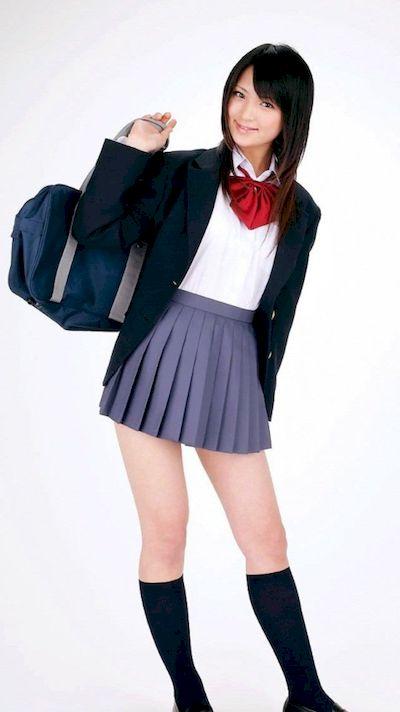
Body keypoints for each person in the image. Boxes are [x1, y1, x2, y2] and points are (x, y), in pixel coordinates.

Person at [72, 44, 348, 712]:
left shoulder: (303, 211)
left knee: (266, 541)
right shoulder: (184, 172)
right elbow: (94, 226)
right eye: (239, 94)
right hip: (158, 352)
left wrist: (261, 393)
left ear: (291, 117)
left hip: (233, 367)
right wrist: (134, 149)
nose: (246, 112)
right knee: (166, 534)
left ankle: (306, 696)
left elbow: (279, 314)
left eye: (266, 101)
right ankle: (188, 696)